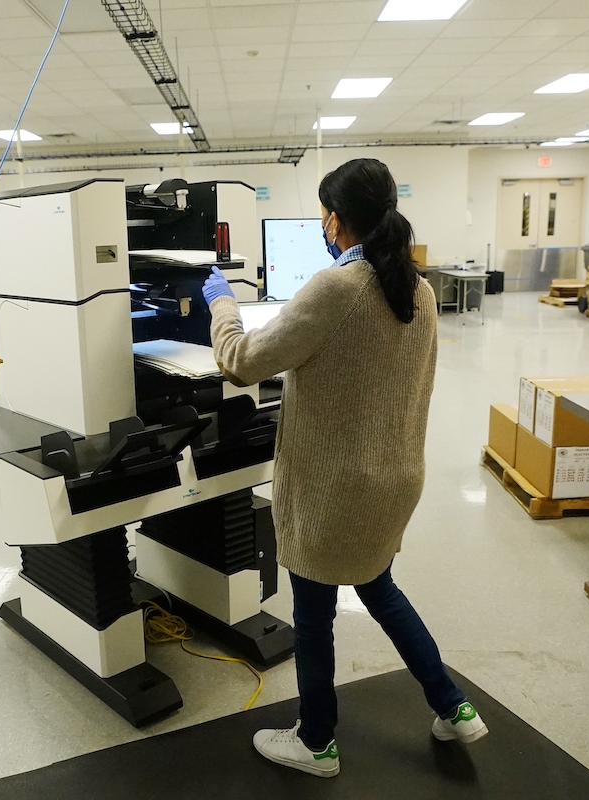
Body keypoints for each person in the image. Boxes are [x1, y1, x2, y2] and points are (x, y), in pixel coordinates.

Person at [202, 158, 486, 780]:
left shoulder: (336, 288)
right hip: (393, 479)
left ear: (334, 219)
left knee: (312, 617)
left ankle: (317, 742)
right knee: (381, 590)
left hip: (334, 490)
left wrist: (222, 305)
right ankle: (454, 706)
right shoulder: (418, 289)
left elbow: (242, 362)